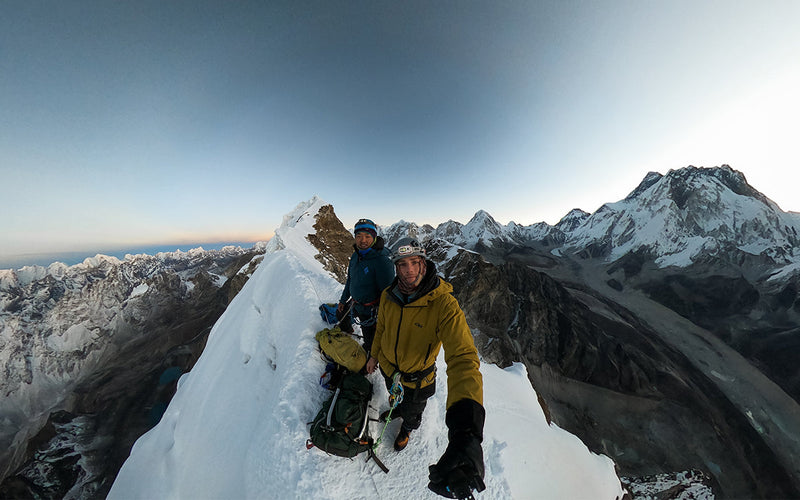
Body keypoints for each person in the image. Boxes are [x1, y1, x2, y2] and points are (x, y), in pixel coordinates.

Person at [366, 237, 485, 499]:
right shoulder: (388, 295)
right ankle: (397, 410)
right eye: (402, 264)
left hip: (418, 380)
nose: (408, 270)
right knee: (396, 398)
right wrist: (375, 356)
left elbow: (463, 357)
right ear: (396, 267)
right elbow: (381, 329)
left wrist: (467, 432)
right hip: (390, 371)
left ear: (424, 264)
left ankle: (407, 429)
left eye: (414, 263)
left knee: (413, 412)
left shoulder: (443, 304)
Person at [337, 218, 395, 355]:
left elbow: (387, 292)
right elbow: (350, 279)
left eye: (367, 236)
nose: (363, 240)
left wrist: (382, 316)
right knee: (340, 313)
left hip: (370, 310)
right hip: (356, 303)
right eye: (359, 236)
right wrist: (342, 300)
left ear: (374, 237)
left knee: (370, 339)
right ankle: (349, 331)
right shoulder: (355, 256)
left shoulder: (382, 260)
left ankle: (370, 357)